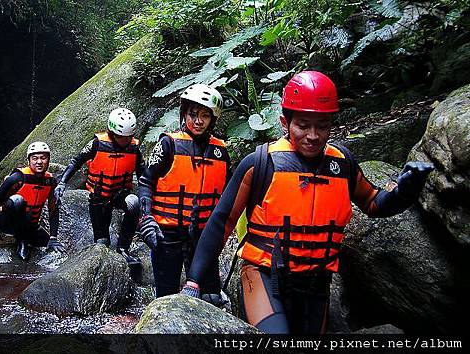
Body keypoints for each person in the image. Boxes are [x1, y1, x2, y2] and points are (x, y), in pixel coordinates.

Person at [181, 71, 434, 334]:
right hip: (264, 275)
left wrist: (404, 191)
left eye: (322, 126)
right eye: (303, 125)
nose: (313, 135)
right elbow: (222, 221)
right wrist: (194, 281)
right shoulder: (259, 163)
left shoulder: (342, 163)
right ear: (284, 122)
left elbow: (373, 203)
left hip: (317, 282)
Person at [138, 84, 231, 303]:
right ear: (184, 114)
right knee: (166, 296)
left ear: (213, 119)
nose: (198, 121)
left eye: (205, 116)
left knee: (211, 297)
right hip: (167, 233)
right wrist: (146, 217)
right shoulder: (168, 144)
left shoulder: (221, 152)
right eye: (193, 114)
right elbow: (145, 181)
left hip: (203, 234)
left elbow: (230, 193)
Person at [54, 108, 144, 266]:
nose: (126, 141)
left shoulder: (134, 148)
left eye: (129, 137)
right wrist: (62, 182)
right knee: (102, 241)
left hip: (120, 193)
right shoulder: (97, 143)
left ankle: (123, 249)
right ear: (112, 132)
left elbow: (144, 173)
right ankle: (103, 255)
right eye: (122, 137)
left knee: (134, 203)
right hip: (99, 195)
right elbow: (77, 161)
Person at [0, 141, 65, 261]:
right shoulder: (17, 178)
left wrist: (53, 237)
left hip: (30, 224)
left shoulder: (50, 181)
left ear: (48, 160)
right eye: (35, 158)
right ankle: (22, 241)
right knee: (17, 200)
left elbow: (53, 209)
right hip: (7, 221)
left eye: (43, 158)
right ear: (29, 161)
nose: (39, 162)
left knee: (47, 244)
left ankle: (26, 237)